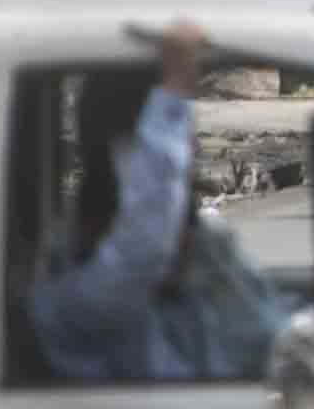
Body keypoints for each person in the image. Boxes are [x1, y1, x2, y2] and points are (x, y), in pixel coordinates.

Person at [22, 22, 287, 386]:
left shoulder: (205, 247)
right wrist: (173, 94)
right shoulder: (74, 304)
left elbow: (271, 338)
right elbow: (144, 246)